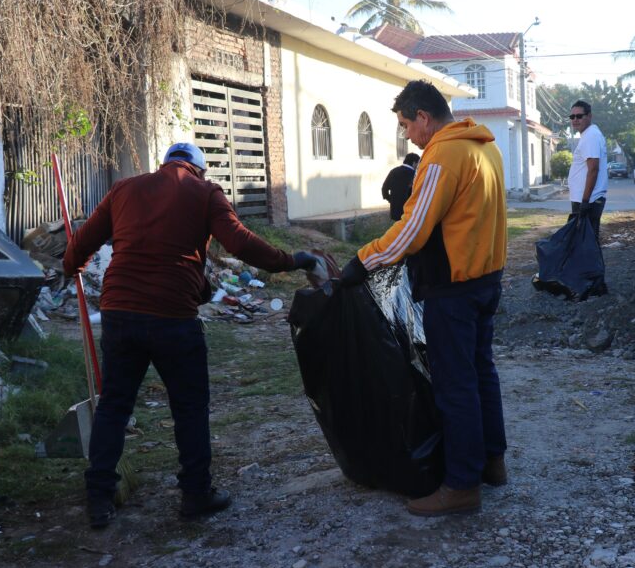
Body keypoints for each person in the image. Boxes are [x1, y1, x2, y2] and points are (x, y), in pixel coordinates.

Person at [62, 142, 318, 528]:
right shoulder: (205, 192)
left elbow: (81, 244)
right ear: (199, 169)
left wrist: (72, 265)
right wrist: (289, 261)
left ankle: (99, 498)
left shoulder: (124, 189)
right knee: (189, 407)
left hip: (120, 311)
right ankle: (196, 494)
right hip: (172, 316)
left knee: (114, 404)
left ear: (164, 164)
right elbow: (239, 242)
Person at [340, 80, 508, 517]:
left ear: (424, 117)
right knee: (481, 372)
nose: (407, 135)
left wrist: (363, 260)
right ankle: (492, 462)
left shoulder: (443, 154)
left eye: (406, 125)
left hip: (454, 288)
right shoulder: (484, 147)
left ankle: (462, 485)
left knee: (455, 385)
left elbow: (413, 230)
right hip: (486, 279)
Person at [567, 100, 609, 241]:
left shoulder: (591, 136)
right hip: (586, 199)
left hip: (588, 200)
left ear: (589, 116)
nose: (575, 120)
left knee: (586, 244)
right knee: (584, 243)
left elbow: (593, 170)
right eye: (572, 117)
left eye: (579, 116)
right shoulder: (589, 135)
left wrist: (585, 202)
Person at [382, 152, 421, 221]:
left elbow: (384, 189)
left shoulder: (393, 171)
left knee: (397, 227)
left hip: (395, 210)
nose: (419, 165)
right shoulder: (415, 174)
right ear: (414, 163)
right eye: (418, 163)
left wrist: (391, 200)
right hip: (409, 211)